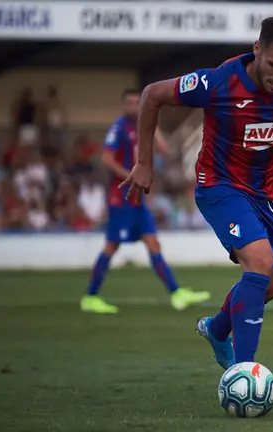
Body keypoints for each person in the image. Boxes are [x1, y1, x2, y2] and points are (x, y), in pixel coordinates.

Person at [120, 14, 273, 368]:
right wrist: (144, 163)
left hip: (267, 192)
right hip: (220, 186)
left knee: (266, 287)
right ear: (256, 50)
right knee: (259, 262)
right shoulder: (218, 82)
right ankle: (245, 372)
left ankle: (217, 329)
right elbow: (152, 95)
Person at [82, 89, 210, 314]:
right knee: (112, 246)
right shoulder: (119, 129)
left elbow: (163, 149)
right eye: (130, 103)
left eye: (137, 103)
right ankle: (90, 296)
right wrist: (131, 175)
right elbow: (106, 158)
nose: (133, 107)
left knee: (153, 243)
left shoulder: (140, 127)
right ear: (123, 106)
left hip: (137, 198)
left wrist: (151, 123)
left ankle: (176, 293)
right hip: (121, 197)